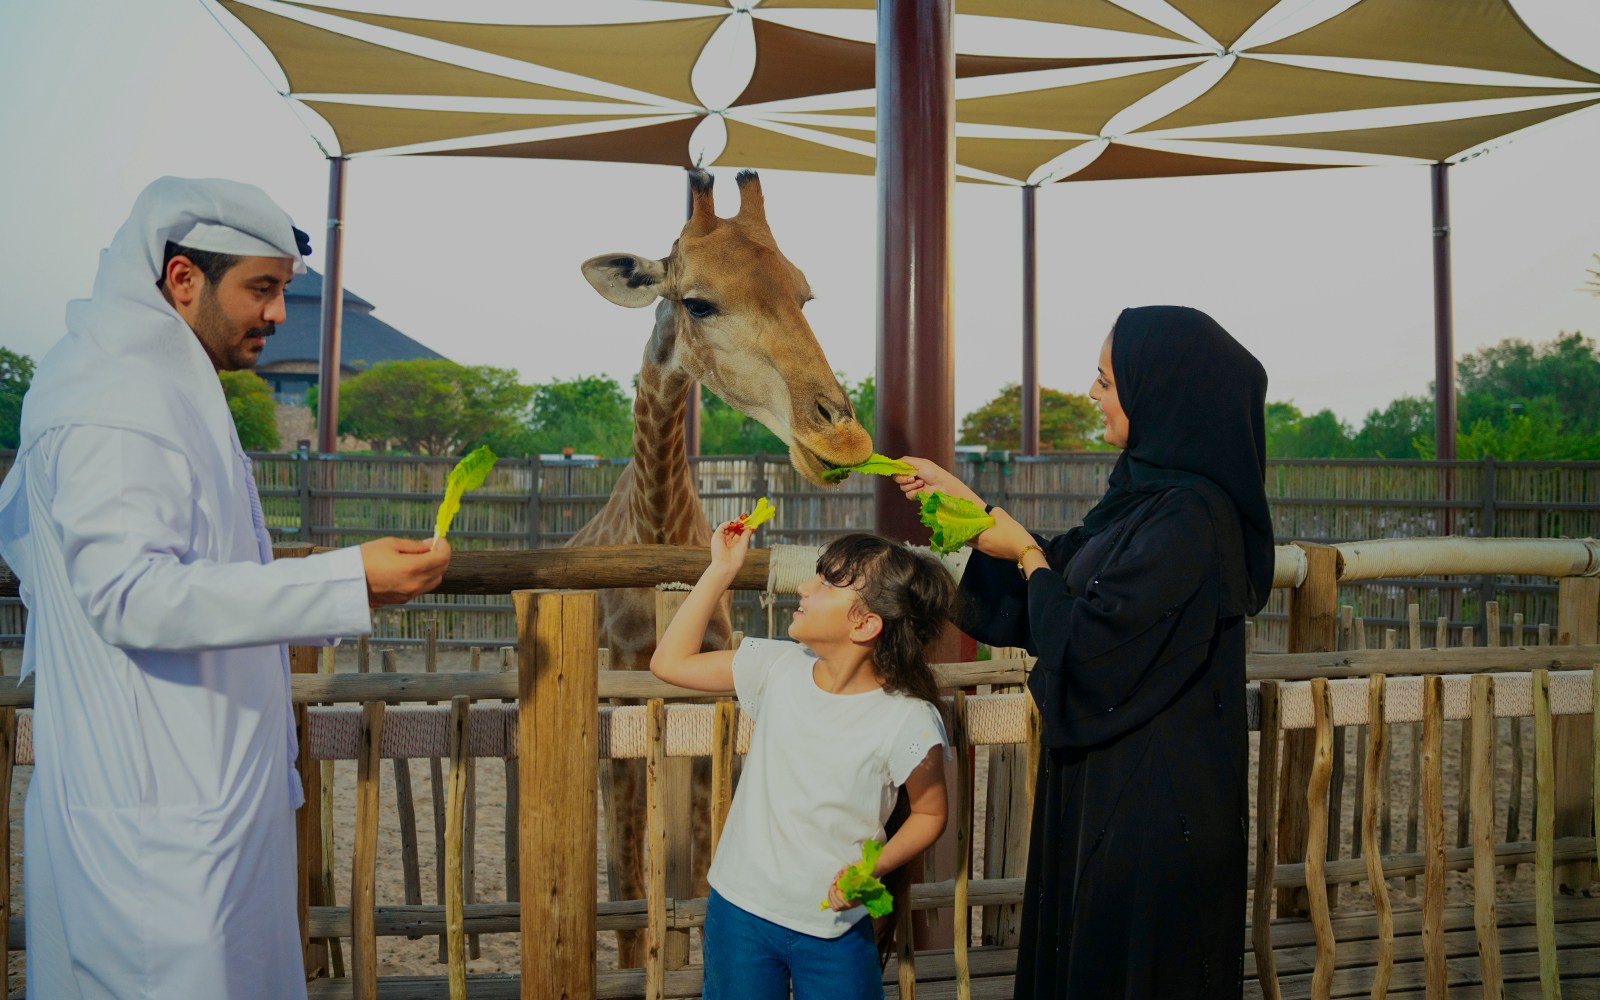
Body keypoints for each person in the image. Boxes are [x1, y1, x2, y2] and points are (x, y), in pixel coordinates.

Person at [0, 176, 451, 999]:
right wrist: (344, 579)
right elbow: (130, 595)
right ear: (183, 280)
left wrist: (351, 584)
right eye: (263, 288)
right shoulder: (112, 399)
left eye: (282, 289)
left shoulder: (157, 383)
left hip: (199, 804)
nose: (279, 314)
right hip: (154, 824)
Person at [896, 305, 1274, 999]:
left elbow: (1095, 645)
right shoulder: (1144, 502)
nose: (1093, 393)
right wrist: (970, 510)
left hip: (1160, 810)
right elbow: (1072, 572)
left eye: (1106, 379)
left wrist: (1030, 556)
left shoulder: (1191, 518)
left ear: (1158, 389)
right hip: (1116, 785)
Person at [650, 528, 955, 1000]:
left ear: (865, 625)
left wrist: (872, 869)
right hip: (739, 916)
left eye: (828, 584)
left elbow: (931, 814)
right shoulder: (776, 666)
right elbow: (669, 661)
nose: (804, 588)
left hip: (838, 927)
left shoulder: (910, 720)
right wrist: (721, 570)